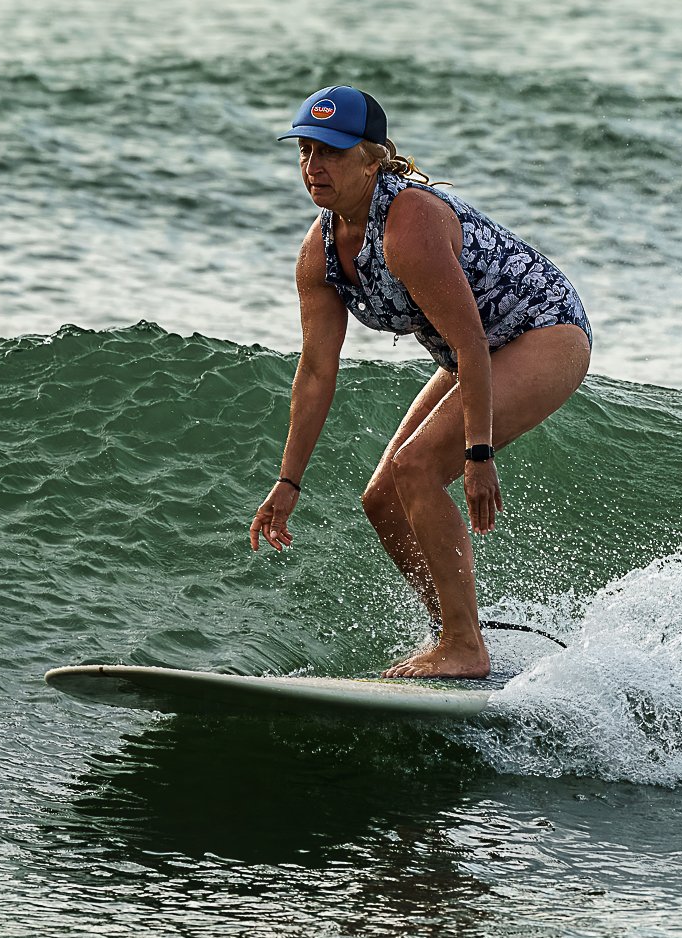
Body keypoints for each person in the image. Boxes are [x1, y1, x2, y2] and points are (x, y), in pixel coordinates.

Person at [248, 85, 593, 679]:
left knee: (416, 469)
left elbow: (468, 343)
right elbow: (316, 371)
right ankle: (458, 630)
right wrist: (288, 483)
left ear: (371, 157)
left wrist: (478, 454)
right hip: (476, 353)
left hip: (543, 333)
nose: (313, 167)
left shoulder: (410, 221)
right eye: (305, 151)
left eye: (330, 152)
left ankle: (464, 646)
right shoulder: (322, 251)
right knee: (381, 498)